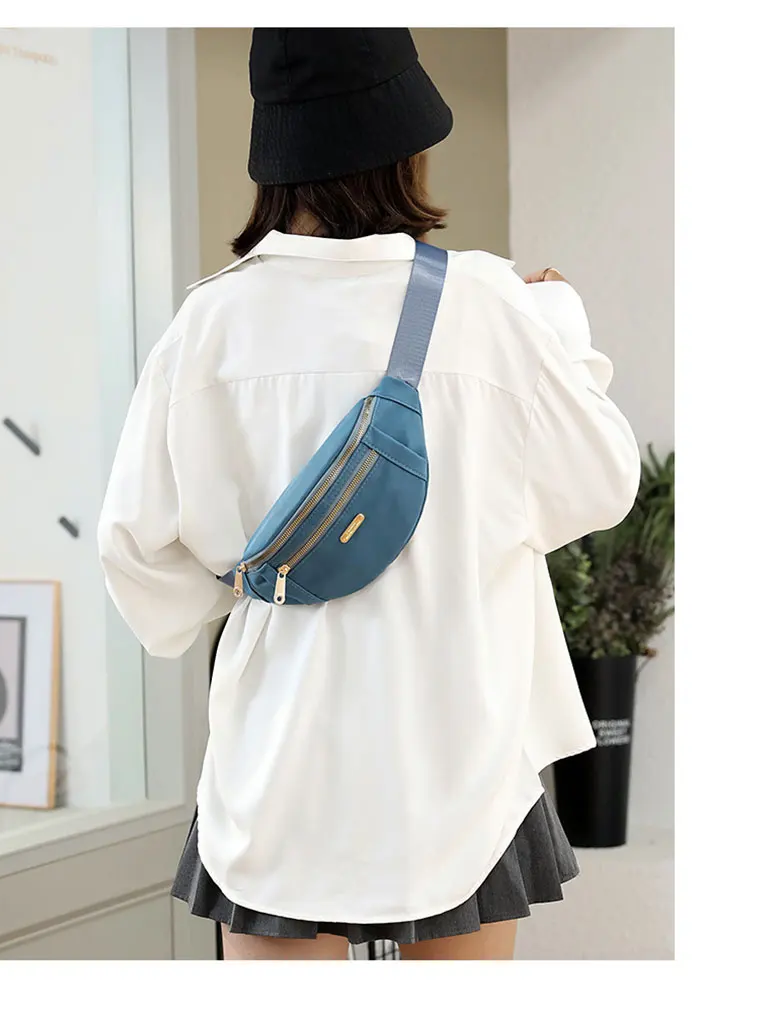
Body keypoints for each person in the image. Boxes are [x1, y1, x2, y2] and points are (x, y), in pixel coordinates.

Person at [97, 28, 640, 961]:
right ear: (407, 147)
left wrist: (250, 578)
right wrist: (563, 332)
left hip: (280, 770)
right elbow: (600, 484)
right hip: (460, 763)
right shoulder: (489, 305)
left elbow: (140, 561)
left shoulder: (208, 324)